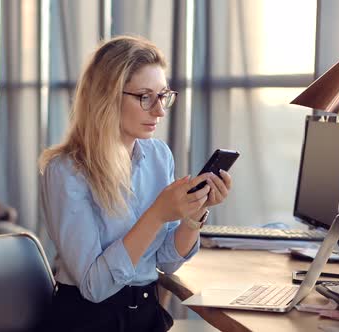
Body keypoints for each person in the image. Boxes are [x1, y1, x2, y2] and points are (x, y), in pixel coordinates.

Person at [38, 35, 232, 332]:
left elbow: (166, 262)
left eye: (162, 95)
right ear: (107, 96)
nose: (159, 111)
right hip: (87, 321)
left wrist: (193, 215)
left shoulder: (158, 156)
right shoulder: (65, 171)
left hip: (146, 316)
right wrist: (157, 214)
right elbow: (95, 286)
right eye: (145, 97)